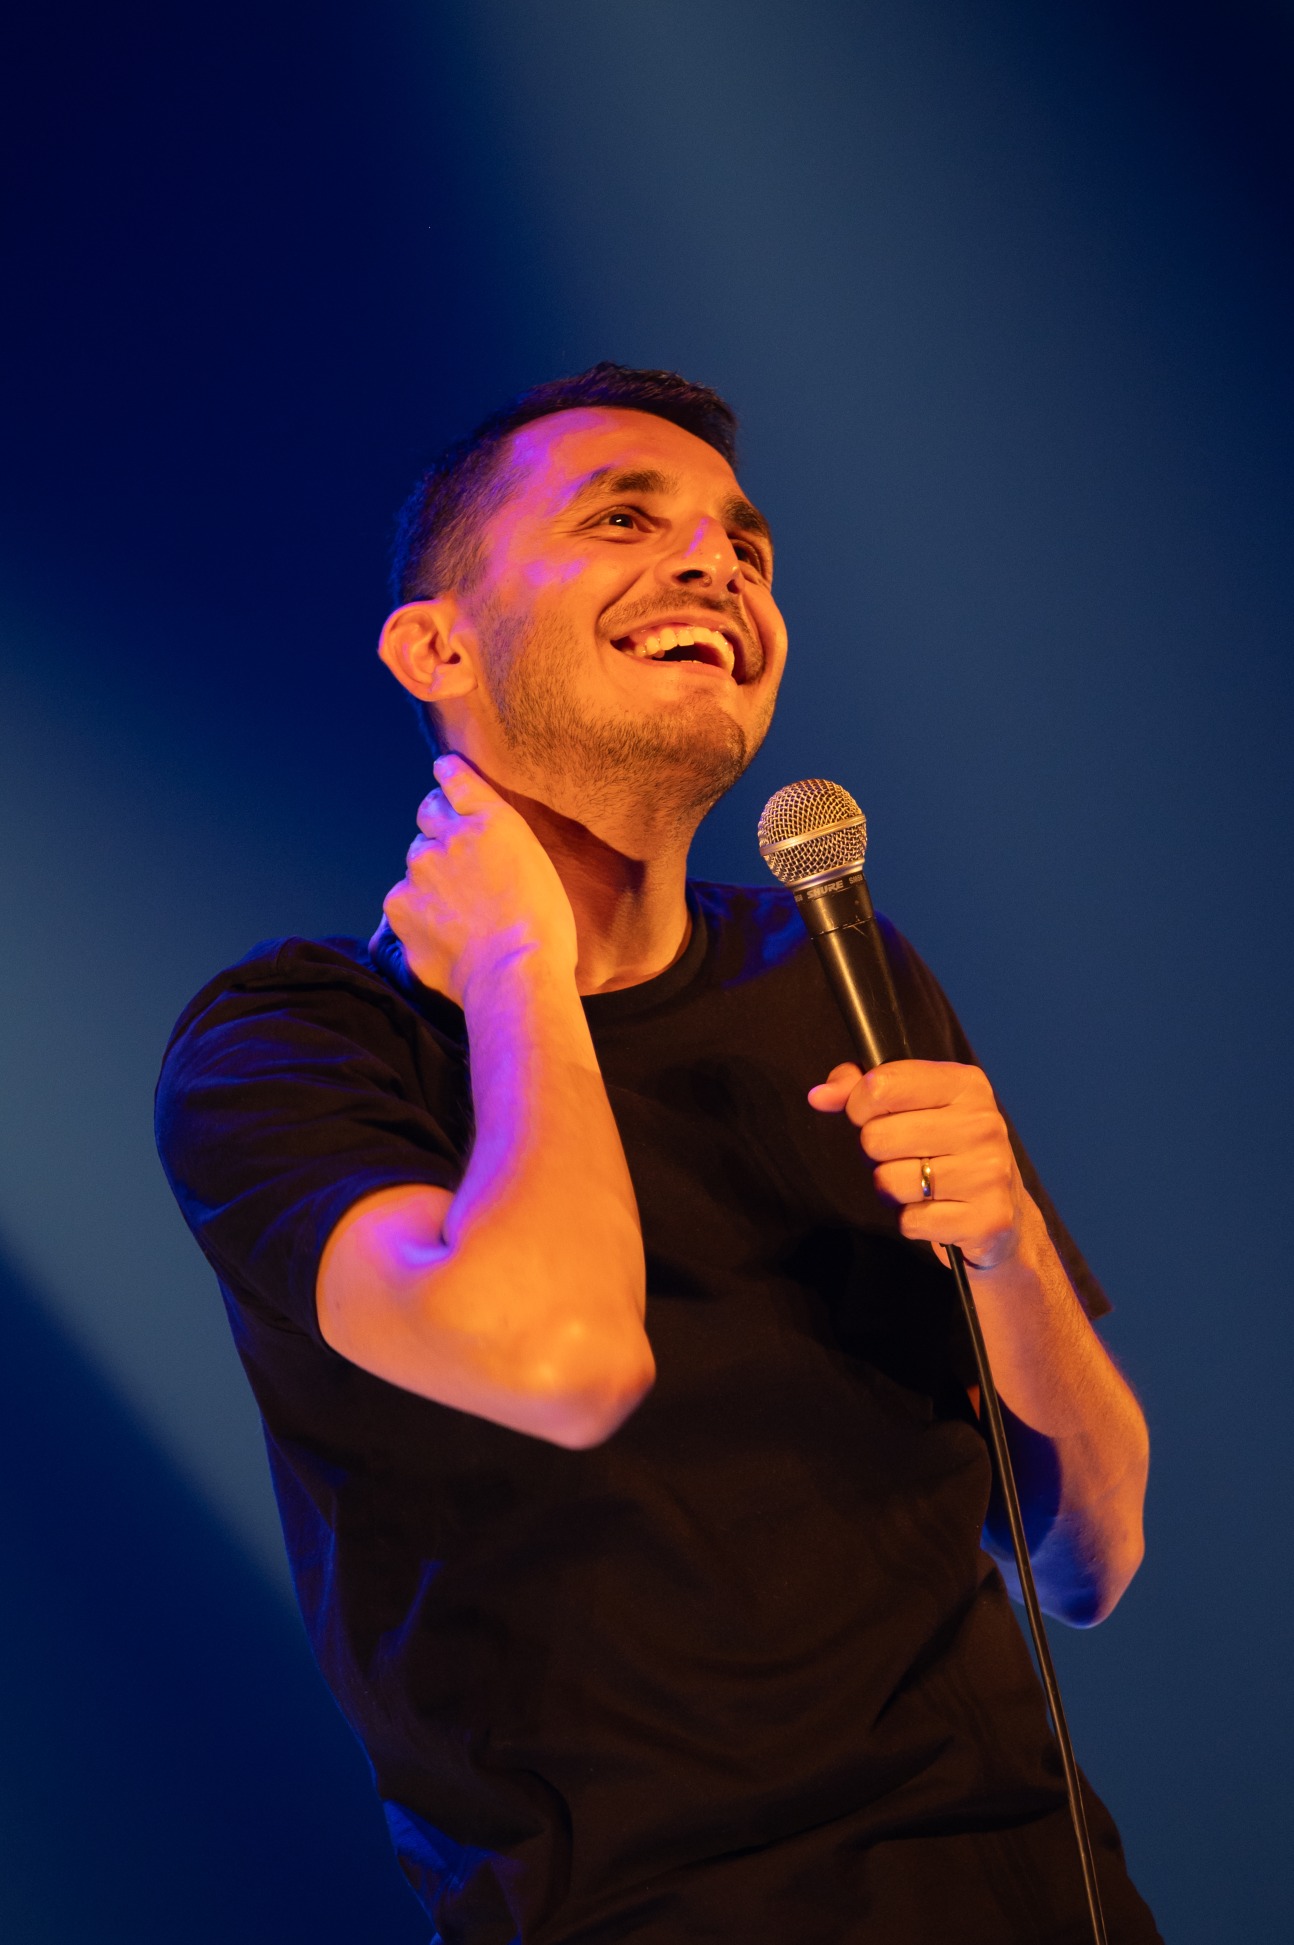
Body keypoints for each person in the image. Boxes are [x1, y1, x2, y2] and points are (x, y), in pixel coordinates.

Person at [156, 364, 1160, 1943]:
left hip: (1028, 1891)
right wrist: (517, 967)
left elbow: (1086, 1557)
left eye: (744, 546)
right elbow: (563, 1360)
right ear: (435, 646)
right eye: (624, 520)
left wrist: (1010, 1249)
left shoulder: (836, 972)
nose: (715, 566)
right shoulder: (294, 1046)